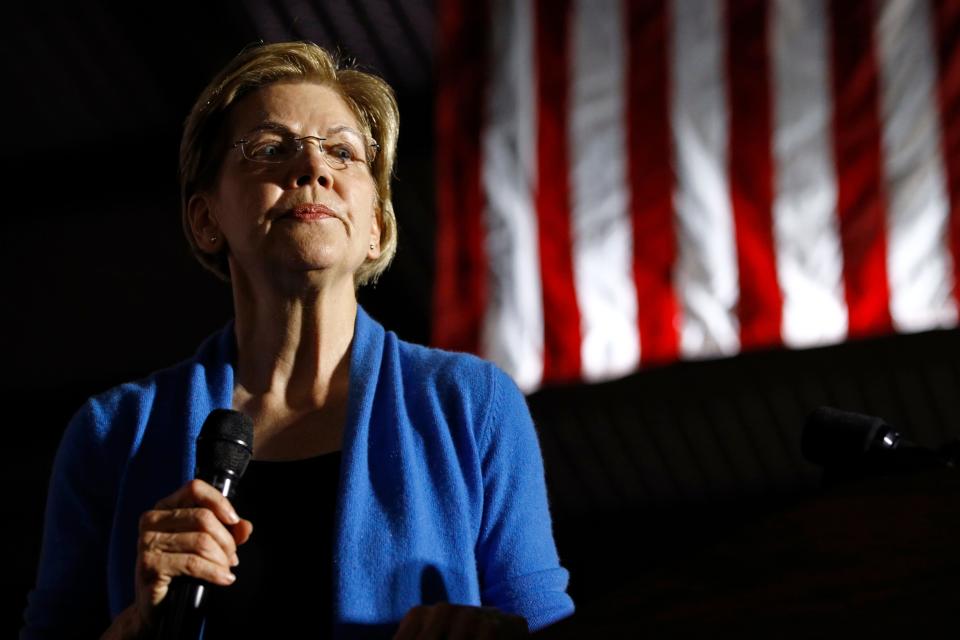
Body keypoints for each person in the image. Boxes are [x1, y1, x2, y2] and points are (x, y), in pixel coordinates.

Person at [21, 41, 573, 639]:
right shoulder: (112, 435)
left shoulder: (472, 404)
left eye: (341, 152)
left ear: (376, 227)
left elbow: (543, 624)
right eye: (269, 149)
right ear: (207, 219)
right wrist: (136, 626)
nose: (313, 170)